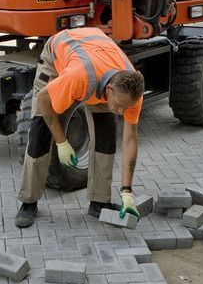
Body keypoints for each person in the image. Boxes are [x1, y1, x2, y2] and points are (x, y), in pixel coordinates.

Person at [15, 27, 145, 228]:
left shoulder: (131, 94)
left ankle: (99, 201)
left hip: (97, 53)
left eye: (125, 107)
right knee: (40, 132)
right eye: (118, 105)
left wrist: (127, 191)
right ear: (109, 90)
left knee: (107, 136)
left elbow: (130, 139)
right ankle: (28, 202)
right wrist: (62, 142)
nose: (121, 111)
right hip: (59, 54)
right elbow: (43, 100)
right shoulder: (78, 77)